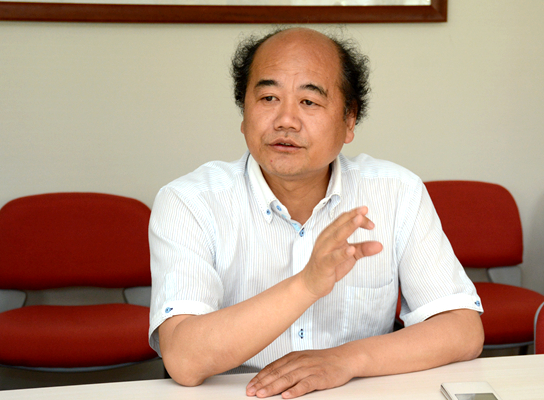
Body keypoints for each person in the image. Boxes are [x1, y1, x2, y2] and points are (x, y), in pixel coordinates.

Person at [148, 27, 484, 399]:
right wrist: (307, 285)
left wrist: (345, 360)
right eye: (269, 97)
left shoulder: (397, 191)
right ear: (244, 113)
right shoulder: (189, 201)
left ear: (349, 120)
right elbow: (183, 358)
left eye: (309, 101)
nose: (286, 120)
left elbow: (462, 329)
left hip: (356, 391)